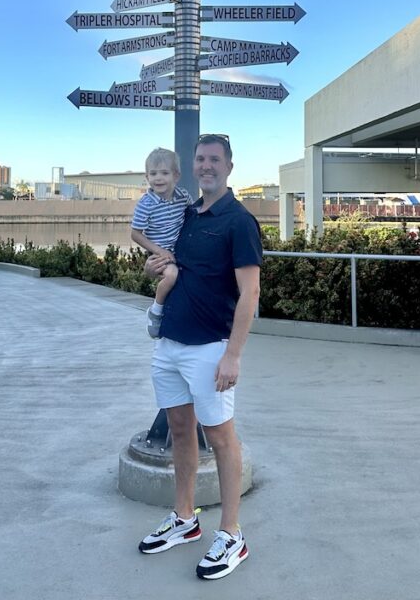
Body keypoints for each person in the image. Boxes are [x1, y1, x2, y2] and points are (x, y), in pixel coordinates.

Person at [137, 134, 262, 581]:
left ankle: (231, 534)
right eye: (200, 160)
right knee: (179, 429)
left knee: (223, 438)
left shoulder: (238, 221)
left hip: (210, 349)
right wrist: (154, 267)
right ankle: (185, 519)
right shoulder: (186, 214)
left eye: (215, 160)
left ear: (229, 166)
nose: (206, 166)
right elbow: (170, 263)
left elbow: (250, 292)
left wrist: (233, 355)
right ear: (193, 166)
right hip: (170, 343)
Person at [131, 147, 192, 338]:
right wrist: (158, 251)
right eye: (153, 173)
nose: (159, 178)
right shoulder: (146, 203)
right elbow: (135, 234)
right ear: (147, 177)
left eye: (165, 173)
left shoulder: (183, 197)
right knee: (172, 275)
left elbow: (194, 214)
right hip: (160, 253)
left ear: (176, 175)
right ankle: (156, 310)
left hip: (180, 252)